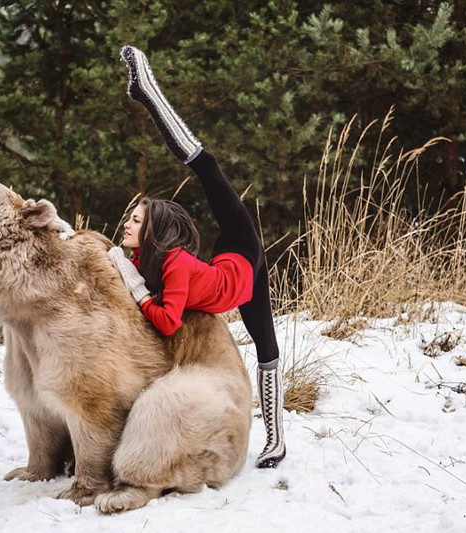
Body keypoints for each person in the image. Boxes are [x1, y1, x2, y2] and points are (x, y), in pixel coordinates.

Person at [107, 45, 286, 469]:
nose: (128, 225)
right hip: (225, 274)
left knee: (206, 166)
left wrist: (135, 285)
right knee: (266, 347)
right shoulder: (157, 263)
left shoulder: (172, 263)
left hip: (243, 251)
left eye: (137, 219)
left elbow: (164, 314)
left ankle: (148, 89)